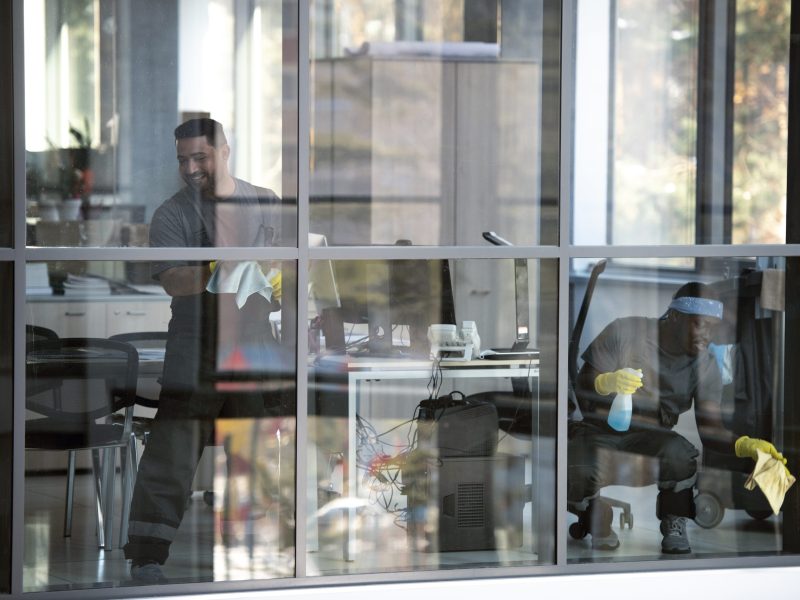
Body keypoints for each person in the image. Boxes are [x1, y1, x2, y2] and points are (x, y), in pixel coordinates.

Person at [124, 118, 286, 584]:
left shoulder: (266, 202)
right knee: (172, 452)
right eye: (182, 160)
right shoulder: (171, 214)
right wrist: (221, 266)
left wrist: (281, 280)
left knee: (254, 449)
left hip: (254, 344)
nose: (190, 168)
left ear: (225, 151)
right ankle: (147, 556)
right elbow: (174, 280)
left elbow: (288, 269)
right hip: (194, 344)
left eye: (200, 157)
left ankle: (257, 549)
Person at [568, 281, 788, 554]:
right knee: (573, 469)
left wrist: (746, 446)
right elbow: (582, 384)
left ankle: (673, 522)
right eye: (699, 324)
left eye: (712, 327)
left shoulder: (705, 365)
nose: (706, 335)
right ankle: (592, 510)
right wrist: (606, 381)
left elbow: (710, 429)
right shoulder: (626, 331)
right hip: (597, 431)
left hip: (651, 437)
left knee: (681, 454)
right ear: (674, 316)